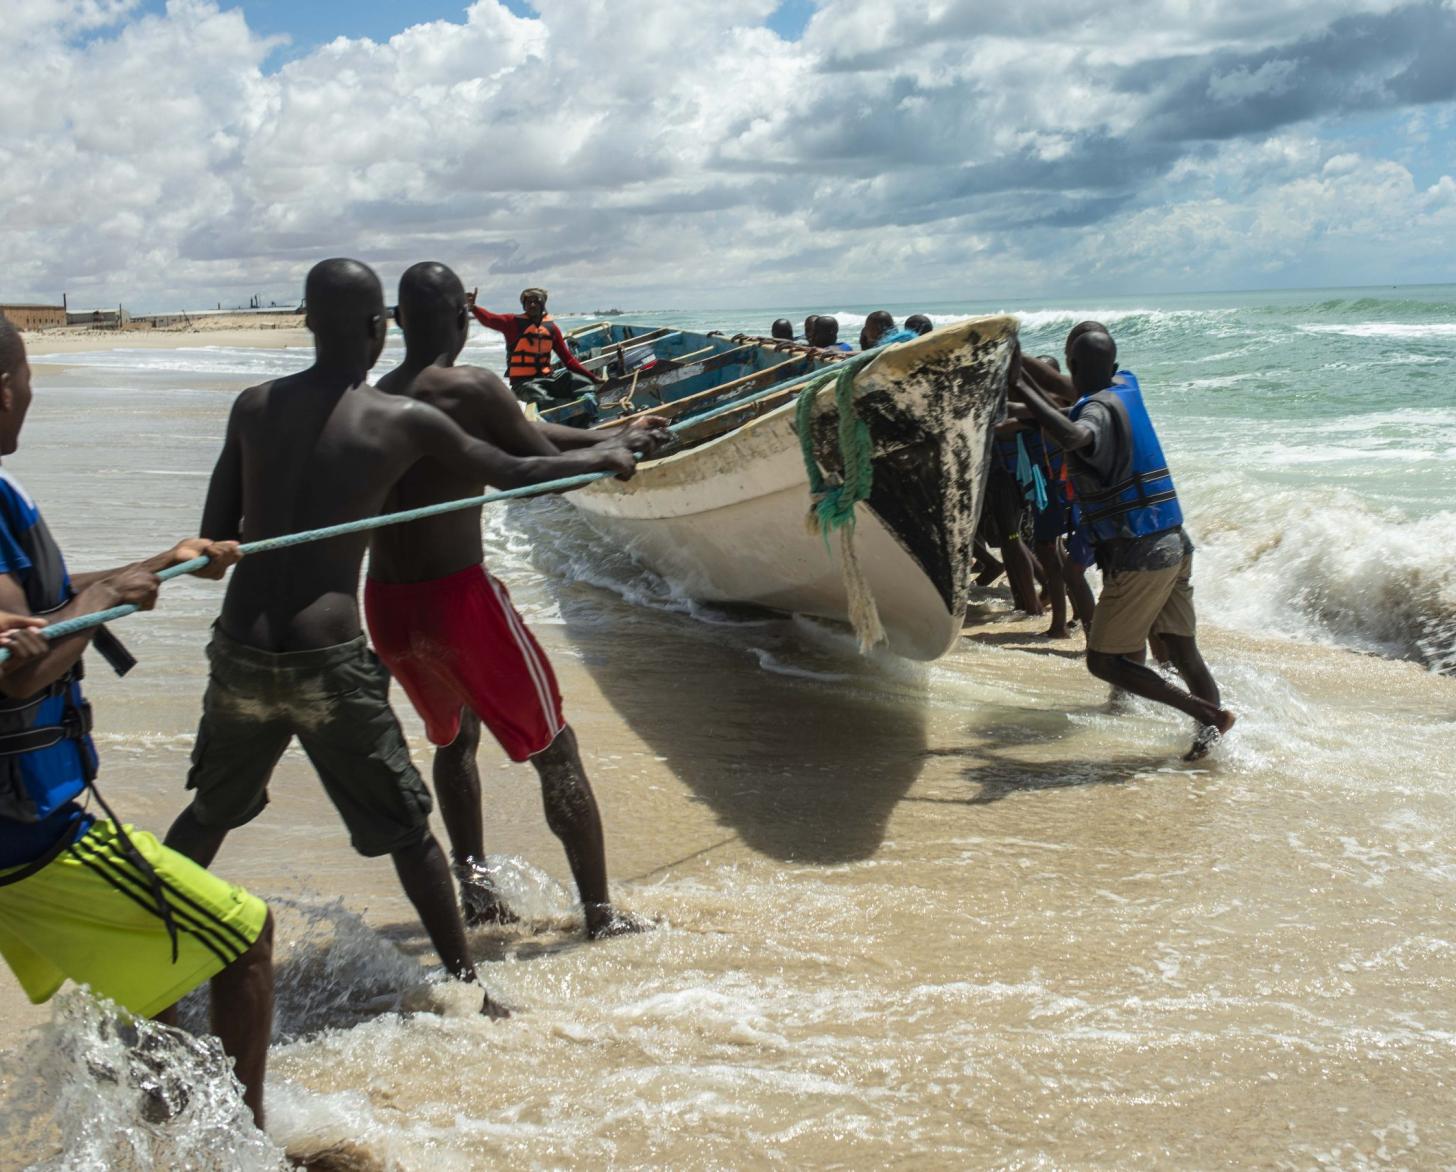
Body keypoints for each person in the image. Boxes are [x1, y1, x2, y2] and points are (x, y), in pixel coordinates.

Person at [163, 259, 642, 1013]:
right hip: (333, 652)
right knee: (411, 831)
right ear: (375, 327)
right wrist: (608, 453)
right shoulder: (401, 418)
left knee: (208, 815)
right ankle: (475, 986)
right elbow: (514, 467)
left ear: (308, 320)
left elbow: (216, 540)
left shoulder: (252, 406)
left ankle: (140, 966)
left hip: (249, 646)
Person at [0, 318, 274, 1126]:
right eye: (27, 382)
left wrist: (155, 563)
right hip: (27, 835)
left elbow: (39, 602)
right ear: (3, 390)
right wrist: (103, 600)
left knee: (157, 969)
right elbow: (19, 674)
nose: (30, 398)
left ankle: (165, 1137)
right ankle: (243, 1149)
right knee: (243, 937)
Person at [366, 262, 668, 938]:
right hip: (457, 604)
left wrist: (607, 435)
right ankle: (601, 916)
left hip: (387, 608)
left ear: (399, 322)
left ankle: (478, 894)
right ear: (462, 319)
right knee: (557, 748)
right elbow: (533, 462)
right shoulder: (471, 385)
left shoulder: (379, 395)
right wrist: (616, 451)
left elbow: (517, 436)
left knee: (456, 740)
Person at [1013, 331, 1236, 759]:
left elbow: (1075, 436)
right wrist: (1016, 357)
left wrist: (1019, 383)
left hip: (1141, 554)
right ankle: (1208, 744)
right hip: (1175, 543)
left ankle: (1209, 715)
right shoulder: (1125, 385)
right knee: (1185, 653)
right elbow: (1059, 392)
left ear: (1071, 365)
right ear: (1112, 367)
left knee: (1103, 661)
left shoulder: (1095, 411)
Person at [466, 287, 601, 408]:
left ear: (543, 305)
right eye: (528, 302)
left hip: (548, 379)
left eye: (536, 301)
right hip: (523, 384)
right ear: (524, 306)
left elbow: (569, 360)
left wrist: (593, 378)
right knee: (542, 398)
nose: (532, 305)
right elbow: (490, 319)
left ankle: (586, 408)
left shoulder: (552, 329)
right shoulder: (512, 323)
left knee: (579, 381)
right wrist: (474, 308)